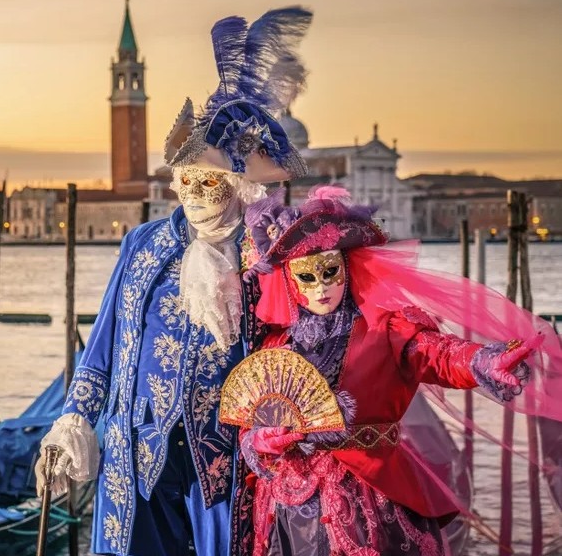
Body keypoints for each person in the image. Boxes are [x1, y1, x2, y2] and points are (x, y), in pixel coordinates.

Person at [34, 7, 313, 556]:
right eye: (185, 180)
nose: (192, 193)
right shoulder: (144, 244)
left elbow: (298, 348)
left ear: (237, 183)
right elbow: (104, 345)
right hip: (136, 449)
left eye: (208, 181)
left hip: (230, 458)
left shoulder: (268, 251)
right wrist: (73, 420)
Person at [226, 186, 557, 556]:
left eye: (331, 272)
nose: (321, 288)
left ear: (348, 268)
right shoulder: (276, 345)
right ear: (288, 280)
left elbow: (437, 353)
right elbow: (253, 418)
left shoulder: (384, 329)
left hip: (367, 495)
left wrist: (481, 360)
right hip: (289, 502)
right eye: (307, 277)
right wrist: (260, 440)